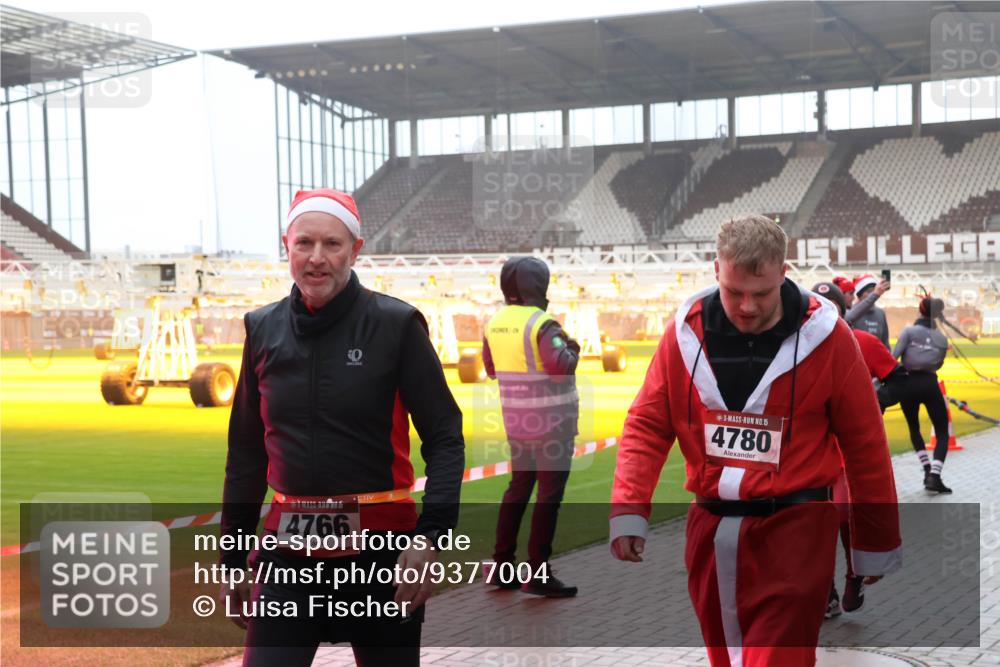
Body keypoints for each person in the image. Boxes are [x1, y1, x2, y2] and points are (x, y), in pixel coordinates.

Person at [610, 215, 902, 667]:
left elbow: (864, 444)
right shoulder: (683, 336)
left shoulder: (830, 339)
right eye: (734, 291)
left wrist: (874, 543)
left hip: (796, 530)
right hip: (709, 530)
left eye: (761, 294)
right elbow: (648, 422)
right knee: (726, 658)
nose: (746, 307)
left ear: (785, 273)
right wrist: (629, 509)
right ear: (715, 271)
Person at [219, 188, 465, 667]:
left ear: (356, 249)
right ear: (285, 245)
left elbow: (445, 438)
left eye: (332, 244)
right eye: (304, 243)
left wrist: (430, 538)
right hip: (287, 555)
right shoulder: (262, 329)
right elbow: (246, 453)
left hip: (383, 554)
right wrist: (232, 558)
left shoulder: (397, 325)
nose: (316, 258)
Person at [482, 256, 580, 598]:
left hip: (517, 423)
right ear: (539, 285)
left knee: (518, 490)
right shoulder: (543, 324)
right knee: (548, 497)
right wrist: (572, 346)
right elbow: (561, 366)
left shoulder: (494, 323)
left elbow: (491, 368)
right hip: (553, 424)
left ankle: (501, 566)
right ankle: (538, 572)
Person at [813, 282, 909, 618]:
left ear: (841, 311)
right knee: (810, 524)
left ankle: (854, 577)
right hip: (806, 454)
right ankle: (825, 592)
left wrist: (871, 404)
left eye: (830, 306)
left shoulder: (862, 341)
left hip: (845, 455)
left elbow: (899, 379)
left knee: (841, 517)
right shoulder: (795, 346)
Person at [894, 297, 953, 494]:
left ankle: (927, 469)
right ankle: (935, 475)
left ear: (920, 311)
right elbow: (938, 364)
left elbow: (894, 357)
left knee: (914, 427)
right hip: (929, 384)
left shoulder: (909, 331)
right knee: (942, 431)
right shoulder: (942, 339)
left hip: (907, 383)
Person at [849, 275, 891, 349]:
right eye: (868, 292)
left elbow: (885, 342)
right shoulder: (851, 312)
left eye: (874, 291)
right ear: (859, 295)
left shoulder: (880, 313)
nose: (872, 294)